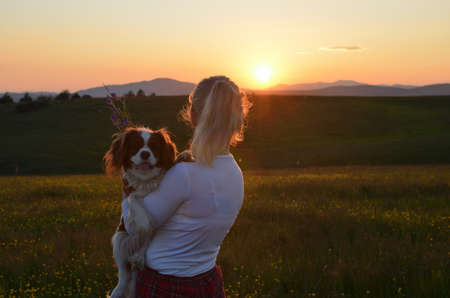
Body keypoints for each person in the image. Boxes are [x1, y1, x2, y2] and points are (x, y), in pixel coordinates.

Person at [120, 75, 251, 297]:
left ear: (193, 116)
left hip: (164, 286)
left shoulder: (184, 174)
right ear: (237, 119)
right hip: (208, 282)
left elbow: (133, 229)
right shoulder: (235, 173)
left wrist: (128, 185)